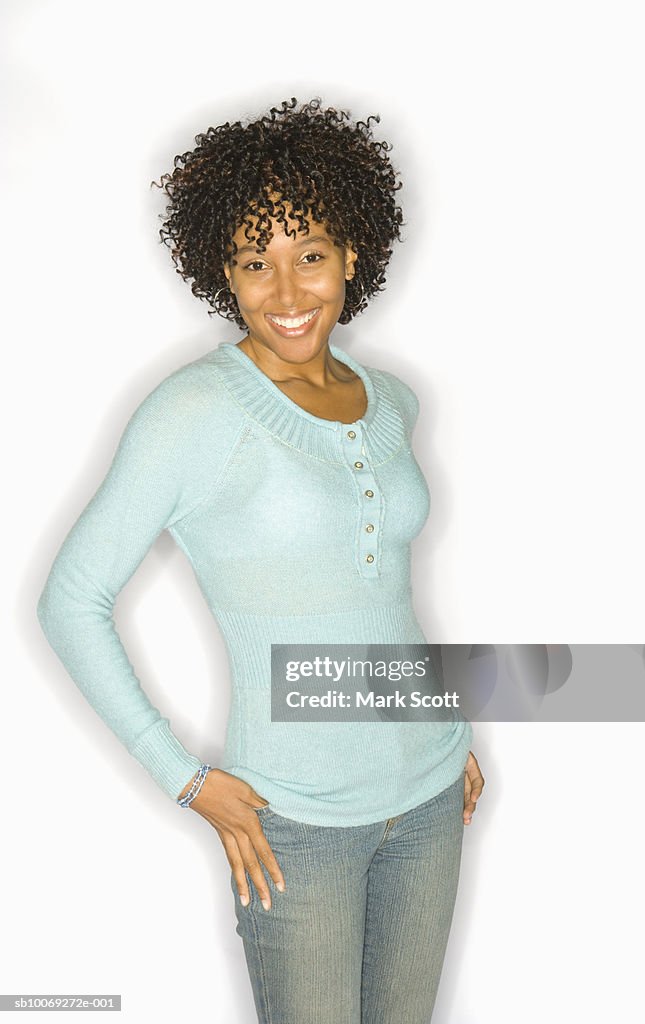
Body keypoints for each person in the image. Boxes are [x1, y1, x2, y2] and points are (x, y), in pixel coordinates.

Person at [37, 96, 485, 1024]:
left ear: (351, 257)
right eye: (255, 262)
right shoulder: (196, 412)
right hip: (296, 827)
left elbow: (381, 597)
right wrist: (184, 776)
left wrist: (447, 722)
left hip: (433, 797)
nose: (286, 293)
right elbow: (72, 598)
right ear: (225, 274)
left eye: (309, 256)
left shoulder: (389, 399)